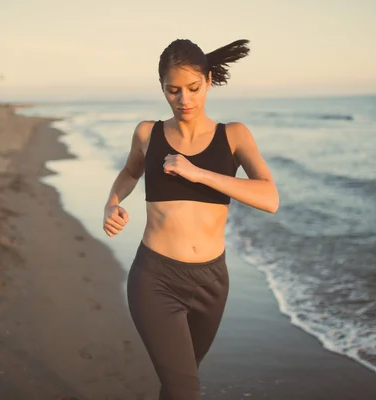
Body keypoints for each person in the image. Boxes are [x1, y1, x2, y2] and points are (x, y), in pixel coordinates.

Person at [102, 38, 279, 399]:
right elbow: (129, 173)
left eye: (194, 88)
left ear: (209, 80)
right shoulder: (147, 133)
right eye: (173, 91)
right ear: (163, 89)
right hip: (156, 278)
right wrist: (112, 202)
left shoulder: (233, 135)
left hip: (212, 282)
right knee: (186, 390)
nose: (185, 100)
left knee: (179, 382)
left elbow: (270, 197)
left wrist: (200, 174)